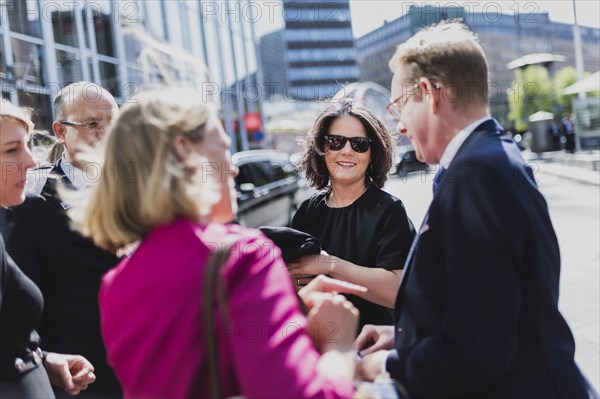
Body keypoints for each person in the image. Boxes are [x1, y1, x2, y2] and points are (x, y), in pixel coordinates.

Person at [354, 21, 596, 398]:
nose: (399, 126)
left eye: (399, 106)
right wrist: (404, 338)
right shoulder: (487, 160)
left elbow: (479, 348)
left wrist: (382, 365)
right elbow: (490, 311)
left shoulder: (477, 178)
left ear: (429, 93)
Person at [72, 87, 362, 398]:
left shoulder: (115, 284)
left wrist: (292, 311)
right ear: (185, 152)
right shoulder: (241, 254)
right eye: (223, 149)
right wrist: (338, 344)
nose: (234, 169)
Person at [5, 82, 122, 397]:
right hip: (85, 381)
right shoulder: (30, 205)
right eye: (92, 124)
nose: (106, 134)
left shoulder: (144, 194)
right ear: (60, 131)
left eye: (113, 123)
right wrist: (45, 362)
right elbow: (20, 310)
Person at [290, 100, 415, 329]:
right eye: (336, 141)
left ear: (372, 154)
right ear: (322, 149)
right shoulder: (307, 212)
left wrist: (330, 265)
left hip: (373, 347)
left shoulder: (389, 211)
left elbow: (400, 291)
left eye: (359, 144)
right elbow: (292, 282)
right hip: (318, 344)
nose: (346, 150)